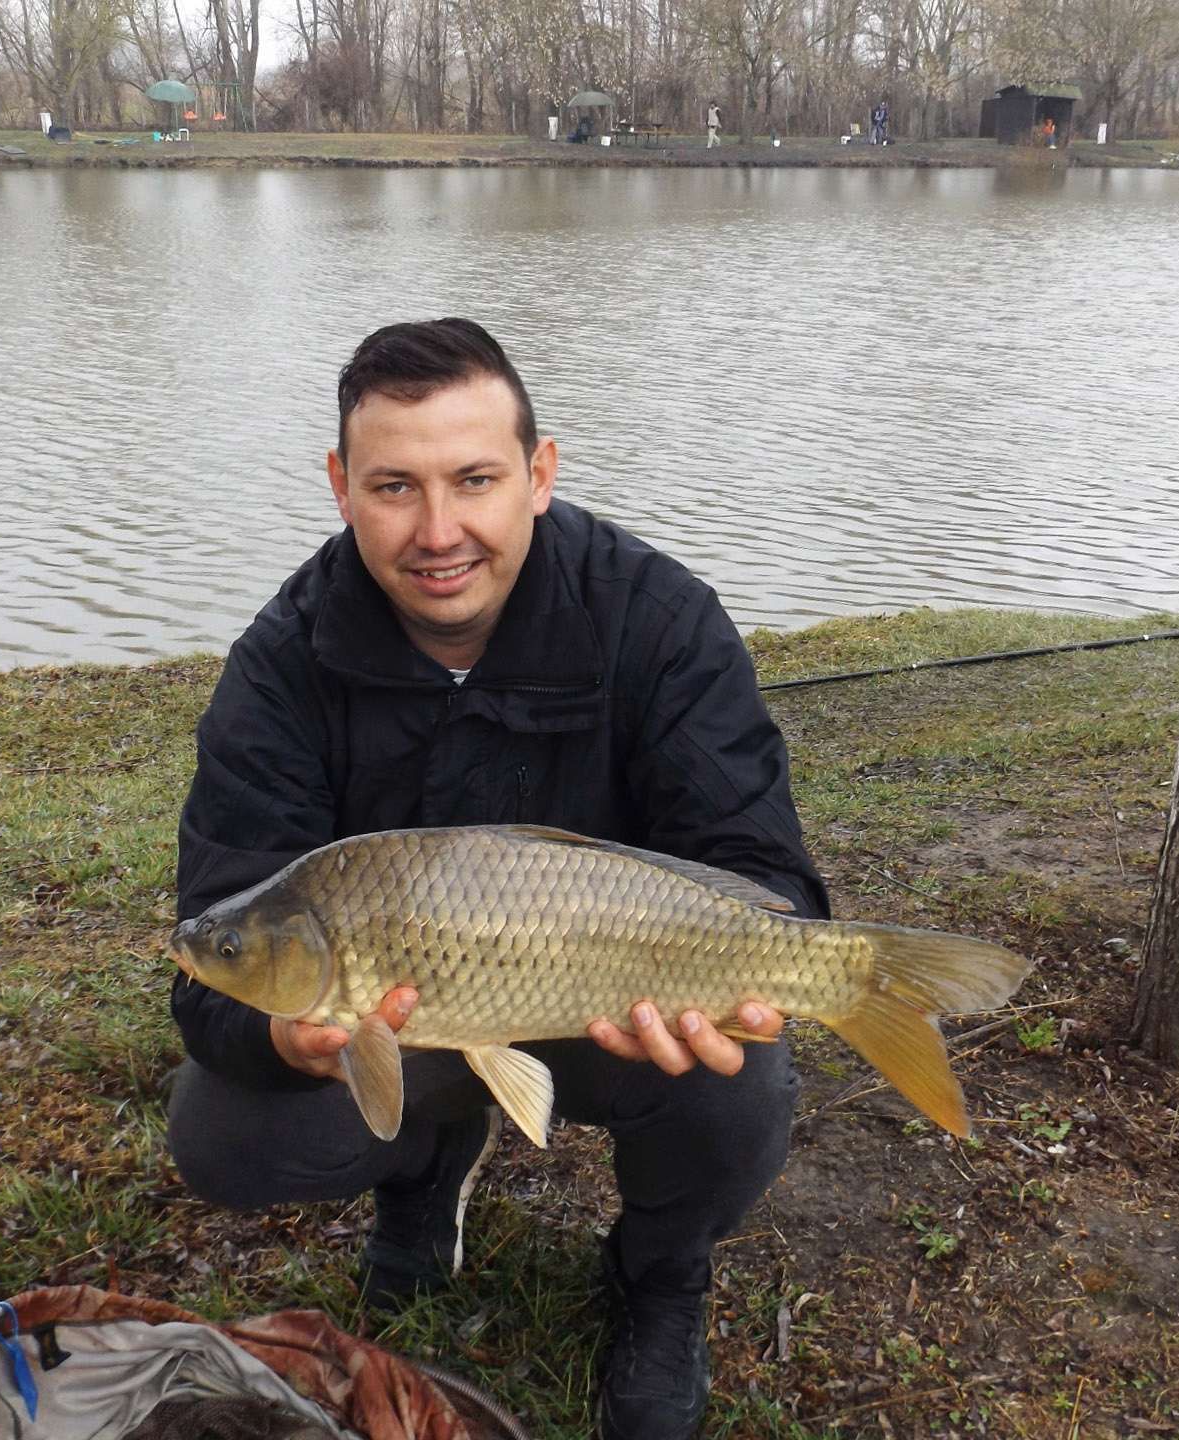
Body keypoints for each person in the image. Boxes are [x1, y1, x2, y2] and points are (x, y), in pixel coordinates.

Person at [165, 318, 827, 1440]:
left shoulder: (658, 619)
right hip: (407, 1022)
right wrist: (279, 1038)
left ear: (540, 473)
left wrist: (746, 973)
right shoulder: (282, 665)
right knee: (231, 1130)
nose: (439, 531)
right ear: (340, 486)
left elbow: (765, 875)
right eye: (393, 487)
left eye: (475, 479)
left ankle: (662, 1277)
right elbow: (210, 946)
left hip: (619, 1001)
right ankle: (422, 1173)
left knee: (744, 1080)